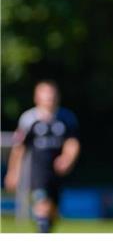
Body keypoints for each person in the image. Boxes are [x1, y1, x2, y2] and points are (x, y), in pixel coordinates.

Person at [4, 80, 81, 233]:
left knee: (53, 212)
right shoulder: (28, 119)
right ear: (37, 97)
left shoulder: (66, 118)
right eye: (45, 94)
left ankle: (45, 229)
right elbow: (19, 148)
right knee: (42, 204)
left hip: (57, 172)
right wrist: (13, 172)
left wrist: (67, 158)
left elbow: (72, 143)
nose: (49, 97)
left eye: (51, 94)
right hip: (38, 171)